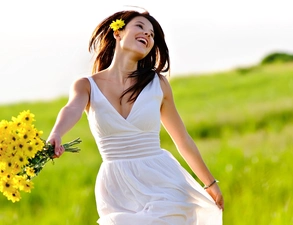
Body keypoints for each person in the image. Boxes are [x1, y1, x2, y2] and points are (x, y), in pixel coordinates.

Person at [47, 8, 224, 225]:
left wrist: (209, 183)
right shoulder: (86, 86)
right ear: (118, 33)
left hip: (162, 181)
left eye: (152, 34)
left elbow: (183, 140)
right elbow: (71, 109)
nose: (148, 35)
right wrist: (56, 133)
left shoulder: (157, 85)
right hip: (117, 188)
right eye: (140, 27)